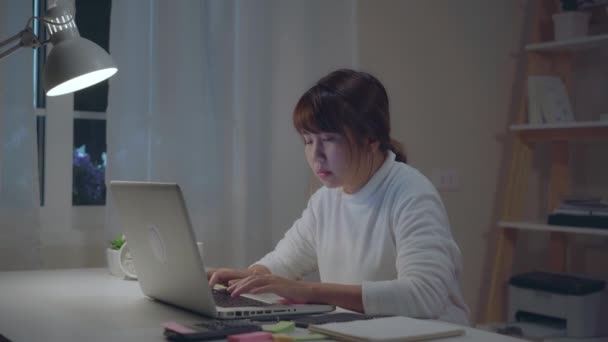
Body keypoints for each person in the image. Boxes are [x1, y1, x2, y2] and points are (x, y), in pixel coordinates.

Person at [208, 69, 470, 325]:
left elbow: (424, 295)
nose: (316, 155)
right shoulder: (326, 200)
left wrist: (309, 292)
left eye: (329, 139)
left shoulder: (411, 192)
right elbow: (285, 261)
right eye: (308, 141)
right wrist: (245, 277)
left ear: (371, 139)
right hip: (364, 331)